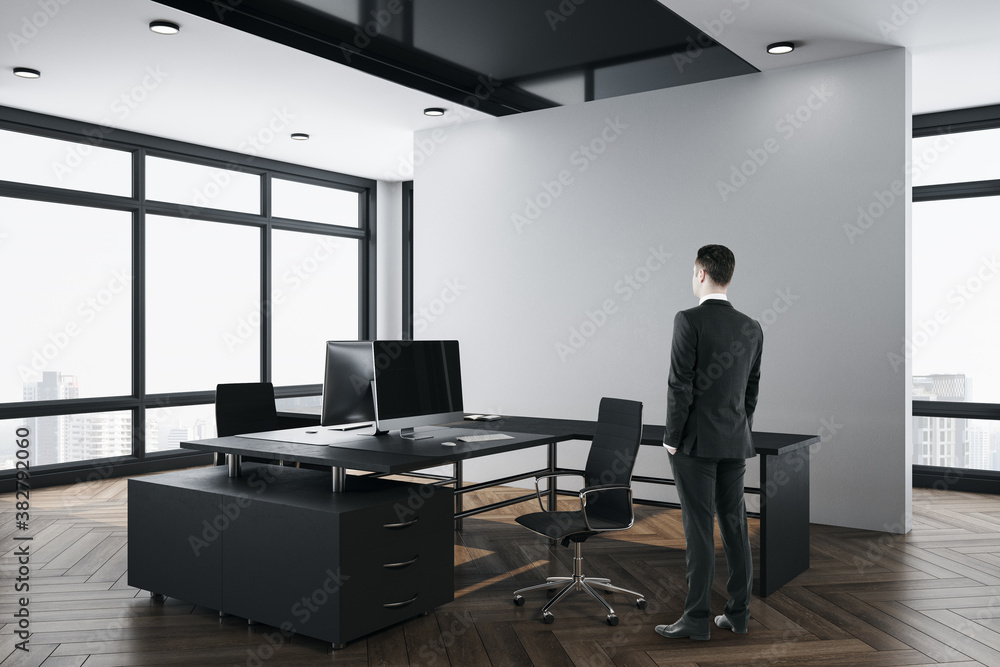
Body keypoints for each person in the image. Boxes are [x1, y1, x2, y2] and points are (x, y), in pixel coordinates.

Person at [654, 244, 763, 641]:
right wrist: (739, 429)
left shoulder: (688, 320)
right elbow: (751, 392)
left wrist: (671, 438)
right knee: (735, 526)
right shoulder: (752, 327)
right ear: (728, 275)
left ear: (701, 273)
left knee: (698, 528)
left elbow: (678, 386)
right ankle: (738, 615)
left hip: (694, 445)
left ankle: (697, 619)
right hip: (735, 441)